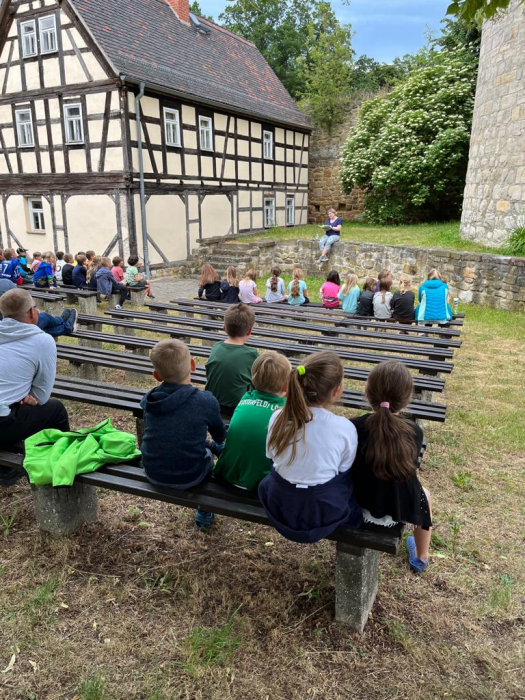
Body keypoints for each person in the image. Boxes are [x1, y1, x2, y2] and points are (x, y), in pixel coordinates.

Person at [258, 351, 361, 543]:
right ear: (336, 391)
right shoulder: (345, 428)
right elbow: (343, 469)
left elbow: (270, 455)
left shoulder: (277, 417)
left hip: (279, 503)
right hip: (324, 510)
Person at [350, 360, 432, 573]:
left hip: (356, 505)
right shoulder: (414, 432)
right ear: (407, 399)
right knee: (424, 495)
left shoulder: (353, 426)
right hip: (395, 512)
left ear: (367, 393)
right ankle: (421, 555)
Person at [140, 339, 226, 530]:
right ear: (193, 365)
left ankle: (206, 445)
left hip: (153, 471)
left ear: (156, 376)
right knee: (209, 453)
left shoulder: (150, 400)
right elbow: (220, 435)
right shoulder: (205, 401)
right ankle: (204, 512)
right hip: (190, 475)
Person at [0, 289, 70, 465]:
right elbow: (41, 396)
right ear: (32, 312)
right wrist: (20, 395)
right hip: (2, 422)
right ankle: (59, 465)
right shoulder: (42, 341)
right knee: (56, 410)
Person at [214, 352, 291, 492]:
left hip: (227, 474)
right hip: (258, 483)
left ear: (253, 380)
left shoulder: (245, 398)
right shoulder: (286, 411)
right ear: (286, 387)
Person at [205, 303, 258, 417]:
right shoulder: (251, 354)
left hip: (212, 402)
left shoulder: (216, 347)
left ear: (224, 327)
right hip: (237, 407)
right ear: (249, 331)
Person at [0, 278, 78, 336]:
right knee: (44, 317)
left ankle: (67, 325)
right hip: (17, 324)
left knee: (43, 329)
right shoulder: (5, 284)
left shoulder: (5, 284)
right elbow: (19, 299)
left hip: (8, 328)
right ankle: (63, 322)